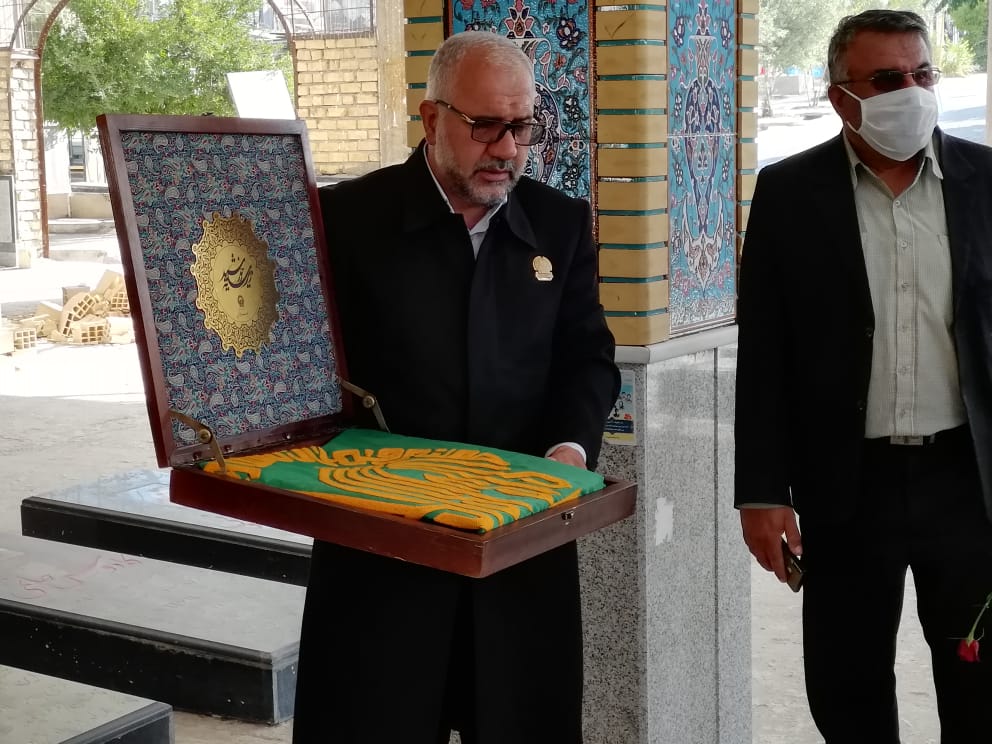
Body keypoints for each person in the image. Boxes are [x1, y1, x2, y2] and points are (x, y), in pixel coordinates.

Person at [292, 31, 620, 744]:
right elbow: (293, 361)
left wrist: (569, 449)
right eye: (484, 126)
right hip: (383, 550)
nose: (506, 148)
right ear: (431, 117)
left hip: (518, 544)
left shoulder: (558, 223)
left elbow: (587, 356)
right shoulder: (346, 220)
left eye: (522, 126)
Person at [735, 9, 992, 743]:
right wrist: (761, 491)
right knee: (846, 688)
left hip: (968, 482)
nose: (910, 91)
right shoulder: (790, 192)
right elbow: (766, 352)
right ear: (840, 96)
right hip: (847, 485)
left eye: (922, 74)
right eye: (886, 79)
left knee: (981, 687)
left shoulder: (985, 181)